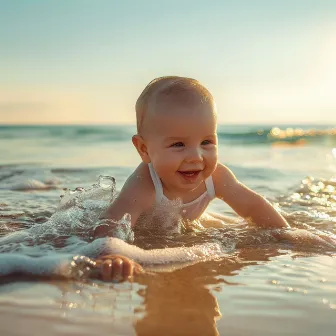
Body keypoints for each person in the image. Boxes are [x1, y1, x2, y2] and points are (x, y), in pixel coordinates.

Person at [99, 76, 290, 232]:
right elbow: (112, 223)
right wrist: (112, 253)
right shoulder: (144, 184)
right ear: (144, 149)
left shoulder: (216, 177)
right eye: (178, 144)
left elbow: (253, 206)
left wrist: (286, 233)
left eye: (206, 142)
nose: (196, 157)